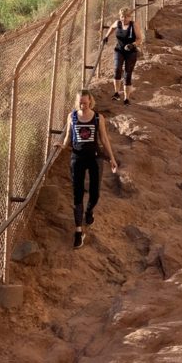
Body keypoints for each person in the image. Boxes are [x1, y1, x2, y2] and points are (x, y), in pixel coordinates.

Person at [58, 90, 117, 248]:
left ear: (90, 102)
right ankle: (78, 231)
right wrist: (62, 146)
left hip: (95, 158)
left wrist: (111, 158)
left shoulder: (98, 117)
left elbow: (104, 138)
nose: (82, 105)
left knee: (95, 192)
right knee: (77, 194)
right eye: (80, 102)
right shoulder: (72, 116)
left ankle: (89, 212)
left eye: (85, 102)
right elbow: (68, 137)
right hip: (77, 158)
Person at [104, 7, 141, 105]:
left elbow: (139, 39)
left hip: (131, 52)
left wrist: (132, 45)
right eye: (122, 17)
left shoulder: (134, 25)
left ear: (129, 17)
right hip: (119, 50)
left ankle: (126, 98)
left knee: (127, 74)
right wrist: (106, 36)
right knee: (117, 69)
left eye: (125, 17)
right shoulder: (118, 23)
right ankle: (116, 93)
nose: (123, 19)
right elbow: (112, 27)